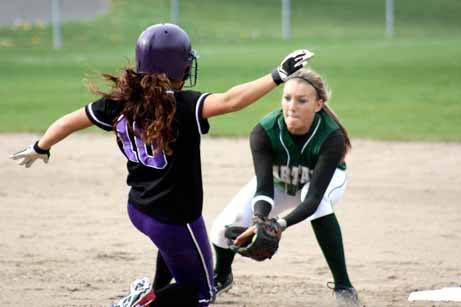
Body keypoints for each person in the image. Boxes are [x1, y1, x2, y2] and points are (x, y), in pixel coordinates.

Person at [10, 22, 312, 307]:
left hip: (140, 209)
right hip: (174, 217)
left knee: (174, 252)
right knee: (201, 295)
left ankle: (153, 290)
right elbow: (232, 100)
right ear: (178, 67)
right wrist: (278, 75)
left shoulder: (120, 101)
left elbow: (69, 122)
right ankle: (144, 302)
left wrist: (41, 147)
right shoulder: (183, 106)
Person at [210, 68, 361, 307]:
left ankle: (344, 286)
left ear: (318, 104)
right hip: (279, 183)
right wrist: (260, 219)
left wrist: (280, 224)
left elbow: (311, 199)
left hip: (324, 184)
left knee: (319, 205)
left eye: (302, 100)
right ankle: (221, 276)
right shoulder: (263, 132)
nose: (292, 105)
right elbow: (264, 186)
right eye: (287, 98)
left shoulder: (332, 137)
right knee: (222, 229)